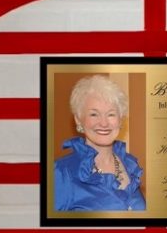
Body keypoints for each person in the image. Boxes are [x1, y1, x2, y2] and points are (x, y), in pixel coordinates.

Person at [52, 73, 146, 212]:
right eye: (94, 114)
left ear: (120, 120)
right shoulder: (60, 173)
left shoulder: (130, 165)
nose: (103, 123)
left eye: (111, 114)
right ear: (79, 119)